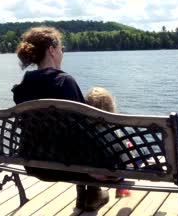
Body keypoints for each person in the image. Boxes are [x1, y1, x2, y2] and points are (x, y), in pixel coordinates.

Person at [12, 26, 109, 211]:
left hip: (33, 163)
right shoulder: (65, 82)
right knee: (88, 137)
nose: (62, 53)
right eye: (61, 49)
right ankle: (92, 193)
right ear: (51, 50)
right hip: (69, 165)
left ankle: (86, 195)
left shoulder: (23, 86)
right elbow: (85, 129)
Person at [85, 87, 132, 198]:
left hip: (89, 173)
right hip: (112, 175)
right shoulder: (114, 132)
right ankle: (121, 189)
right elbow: (125, 157)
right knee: (128, 151)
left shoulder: (84, 130)